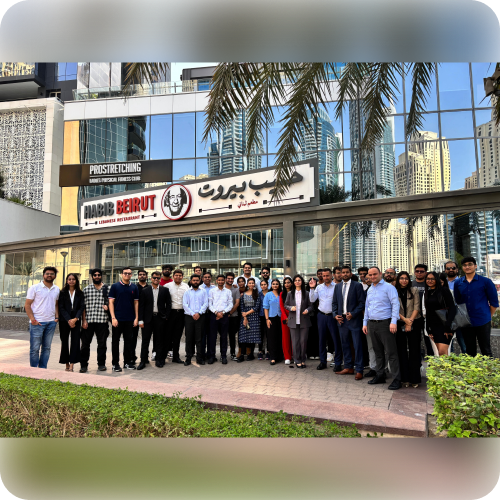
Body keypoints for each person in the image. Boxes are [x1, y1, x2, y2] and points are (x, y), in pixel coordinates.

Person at [362, 267, 401, 390]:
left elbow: (395, 304)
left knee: (391, 352)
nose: (372, 277)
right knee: (377, 352)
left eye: (374, 274)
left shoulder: (389, 287)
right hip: (372, 324)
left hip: (385, 323)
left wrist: (393, 322)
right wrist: (365, 323)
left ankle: (396, 379)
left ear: (380, 274)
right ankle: (380, 375)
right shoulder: (370, 289)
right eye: (370, 275)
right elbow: (367, 307)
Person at [454, 256, 499, 357]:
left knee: (486, 350)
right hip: (466, 322)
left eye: (470, 264)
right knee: (469, 351)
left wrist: (488, 316)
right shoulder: (458, 283)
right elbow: (458, 302)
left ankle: (489, 368)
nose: (467, 267)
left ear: (475, 266)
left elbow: (494, 303)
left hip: (483, 320)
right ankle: (472, 368)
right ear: (462, 267)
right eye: (465, 265)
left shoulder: (486, 282)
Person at [332, 266, 366, 380]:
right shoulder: (337, 286)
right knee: (345, 344)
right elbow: (334, 303)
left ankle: (359, 370)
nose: (345, 274)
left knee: (357, 345)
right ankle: (348, 367)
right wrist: (335, 315)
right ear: (340, 274)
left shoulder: (357, 285)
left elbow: (362, 303)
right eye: (343, 272)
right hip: (342, 321)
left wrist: (353, 313)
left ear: (351, 274)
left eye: (347, 272)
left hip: (354, 320)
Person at [25, 266, 60, 369]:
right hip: (37, 323)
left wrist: (56, 318)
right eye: (47, 273)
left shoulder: (56, 289)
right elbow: (27, 305)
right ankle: (34, 370)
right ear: (43, 275)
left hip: (51, 323)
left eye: (52, 274)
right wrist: (33, 320)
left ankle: (43, 369)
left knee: (47, 348)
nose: (49, 275)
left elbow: (56, 304)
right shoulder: (34, 288)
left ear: (55, 276)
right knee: (35, 348)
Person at [308, 268, 342, 372]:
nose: (325, 277)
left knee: (336, 340)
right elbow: (312, 299)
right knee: (321, 339)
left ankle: (338, 363)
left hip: (333, 316)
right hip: (321, 315)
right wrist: (312, 288)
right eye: (324, 276)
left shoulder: (337, 286)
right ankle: (323, 362)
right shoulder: (319, 287)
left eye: (327, 275)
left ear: (332, 275)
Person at [137, 271, 171, 369]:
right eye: (154, 278)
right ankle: (143, 361)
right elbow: (141, 306)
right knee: (145, 340)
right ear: (151, 279)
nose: (156, 279)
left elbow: (168, 304)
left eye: (158, 278)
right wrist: (140, 320)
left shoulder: (165, 290)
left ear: (160, 279)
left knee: (159, 340)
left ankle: (159, 360)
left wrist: (166, 316)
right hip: (147, 319)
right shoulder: (145, 290)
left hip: (160, 319)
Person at [108, 267, 139, 372]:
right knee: (115, 341)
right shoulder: (115, 286)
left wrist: (136, 318)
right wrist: (113, 317)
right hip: (117, 319)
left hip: (130, 319)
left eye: (129, 273)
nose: (127, 275)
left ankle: (127, 362)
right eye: (125, 273)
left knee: (128, 341)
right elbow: (111, 302)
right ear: (121, 274)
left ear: (131, 275)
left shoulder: (134, 287)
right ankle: (115, 364)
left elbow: (136, 303)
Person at [395, 271, 422, 387]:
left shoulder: (414, 290)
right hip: (399, 322)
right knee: (401, 351)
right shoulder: (393, 291)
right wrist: (404, 320)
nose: (404, 280)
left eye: (406, 278)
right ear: (398, 279)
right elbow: (392, 308)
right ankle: (404, 378)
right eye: (401, 278)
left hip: (414, 321)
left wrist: (409, 322)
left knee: (414, 350)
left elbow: (417, 307)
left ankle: (415, 379)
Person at [81, 268, 110, 373]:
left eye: (98, 275)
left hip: (102, 321)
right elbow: (83, 307)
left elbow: (112, 304)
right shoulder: (86, 289)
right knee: (85, 345)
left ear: (101, 276)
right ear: (92, 277)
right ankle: (83, 365)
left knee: (102, 344)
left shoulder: (108, 289)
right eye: (95, 275)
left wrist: (108, 307)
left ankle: (101, 364)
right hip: (88, 321)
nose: (97, 276)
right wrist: (84, 321)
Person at [422, 271, 456, 357]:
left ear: (436, 279)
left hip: (444, 325)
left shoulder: (444, 290)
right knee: (438, 354)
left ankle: (448, 367)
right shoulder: (428, 292)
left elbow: (452, 308)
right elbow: (428, 311)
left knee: (443, 353)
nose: (430, 281)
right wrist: (428, 329)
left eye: (432, 279)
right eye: (428, 279)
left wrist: (448, 326)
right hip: (433, 326)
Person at [285, 274, 313, 369]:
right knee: (295, 342)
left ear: (302, 282)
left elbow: (311, 306)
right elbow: (286, 305)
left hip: (304, 320)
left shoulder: (307, 293)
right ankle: (297, 360)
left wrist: (307, 310)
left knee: (303, 341)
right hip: (293, 321)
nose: (297, 282)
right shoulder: (290, 294)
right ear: (293, 282)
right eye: (296, 280)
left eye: (299, 280)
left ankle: (303, 359)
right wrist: (291, 308)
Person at [58, 273, 84, 372]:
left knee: (75, 341)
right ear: (67, 281)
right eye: (69, 279)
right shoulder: (62, 293)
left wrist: (76, 318)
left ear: (76, 281)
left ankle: (72, 363)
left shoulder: (80, 293)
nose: (71, 281)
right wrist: (69, 319)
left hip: (76, 319)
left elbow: (82, 307)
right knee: (64, 341)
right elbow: (61, 307)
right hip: (64, 320)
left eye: (73, 279)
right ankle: (66, 363)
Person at [182, 274, 208, 365]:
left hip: (200, 317)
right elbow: (185, 304)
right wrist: (193, 314)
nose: (195, 282)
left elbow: (206, 303)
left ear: (200, 281)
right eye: (194, 280)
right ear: (191, 281)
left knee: (199, 338)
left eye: (197, 280)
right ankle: (188, 358)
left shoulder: (203, 291)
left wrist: (199, 313)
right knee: (189, 338)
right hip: (189, 317)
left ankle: (199, 358)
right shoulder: (187, 292)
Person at [208, 274, 233, 364]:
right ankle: (212, 356)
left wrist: (223, 312)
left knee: (224, 337)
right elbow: (209, 304)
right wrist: (216, 313)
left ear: (225, 280)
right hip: (213, 315)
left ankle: (223, 356)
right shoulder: (212, 291)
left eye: (222, 280)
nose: (221, 281)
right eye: (219, 280)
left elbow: (230, 304)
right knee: (212, 337)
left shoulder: (228, 291)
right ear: (216, 281)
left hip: (224, 316)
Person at [165, 269, 189, 364]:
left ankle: (176, 356)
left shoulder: (186, 287)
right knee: (167, 335)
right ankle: (163, 356)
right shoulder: (167, 286)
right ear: (173, 276)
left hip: (181, 313)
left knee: (177, 336)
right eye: (176, 275)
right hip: (170, 313)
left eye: (180, 275)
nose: (178, 277)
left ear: (182, 277)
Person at [444, 261, 466, 354]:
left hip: (460, 316)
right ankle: (451, 363)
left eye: (453, 268)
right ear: (445, 270)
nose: (451, 270)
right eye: (448, 268)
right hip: (447, 316)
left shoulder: (463, 282)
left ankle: (466, 362)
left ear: (457, 269)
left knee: (464, 345)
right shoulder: (442, 283)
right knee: (449, 345)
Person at [412, 263, 433, 358]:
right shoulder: (411, 284)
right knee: (415, 340)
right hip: (415, 316)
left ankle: (431, 360)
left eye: (422, 271)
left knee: (429, 340)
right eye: (417, 271)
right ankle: (417, 361)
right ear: (414, 272)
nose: (419, 273)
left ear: (426, 273)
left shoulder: (429, 284)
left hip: (428, 316)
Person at [237, 278, 261, 362]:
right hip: (244, 317)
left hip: (254, 316)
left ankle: (250, 354)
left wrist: (246, 313)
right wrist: (245, 317)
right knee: (243, 335)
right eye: (249, 283)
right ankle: (242, 354)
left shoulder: (257, 294)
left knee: (253, 335)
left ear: (254, 284)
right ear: (247, 284)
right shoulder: (243, 294)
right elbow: (242, 306)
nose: (251, 284)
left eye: (252, 283)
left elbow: (257, 307)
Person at [131, 269, 148, 365]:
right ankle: (132, 357)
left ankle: (144, 357)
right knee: (133, 338)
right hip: (135, 316)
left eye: (143, 274)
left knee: (146, 338)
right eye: (140, 274)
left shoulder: (150, 287)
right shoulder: (134, 287)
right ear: (138, 276)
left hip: (146, 316)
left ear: (146, 276)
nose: (142, 276)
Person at [264, 279, 283, 365]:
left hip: (281, 318)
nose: (275, 285)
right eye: (273, 284)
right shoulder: (268, 294)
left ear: (279, 285)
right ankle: (273, 357)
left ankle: (279, 356)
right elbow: (265, 307)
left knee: (280, 337)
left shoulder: (281, 294)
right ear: (271, 285)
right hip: (271, 318)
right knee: (272, 338)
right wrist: (267, 319)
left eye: (277, 284)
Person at [200, 272, 216, 360]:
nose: (207, 278)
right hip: (202, 314)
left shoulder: (215, 288)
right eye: (205, 277)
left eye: (209, 277)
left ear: (211, 278)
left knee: (211, 335)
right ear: (202, 278)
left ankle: (210, 354)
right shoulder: (200, 288)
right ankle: (202, 355)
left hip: (212, 313)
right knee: (202, 335)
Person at [225, 272, 240, 360]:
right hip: (223, 316)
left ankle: (232, 353)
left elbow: (237, 303)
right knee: (223, 336)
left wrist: (230, 313)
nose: (230, 280)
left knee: (232, 336)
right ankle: (223, 354)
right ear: (225, 279)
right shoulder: (221, 288)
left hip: (233, 316)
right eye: (228, 278)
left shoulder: (236, 289)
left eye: (232, 279)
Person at [280, 276, 294, 365]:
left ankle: (294, 355)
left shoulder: (295, 293)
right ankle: (287, 357)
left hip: (294, 316)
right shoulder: (282, 294)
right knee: (285, 338)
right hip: (285, 318)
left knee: (294, 337)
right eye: (285, 283)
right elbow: (281, 306)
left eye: (288, 282)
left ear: (291, 283)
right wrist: (286, 317)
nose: (287, 284)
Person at [306, 276, 320, 360]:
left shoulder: (319, 290)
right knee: (309, 335)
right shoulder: (306, 292)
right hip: (308, 315)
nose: (312, 283)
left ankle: (317, 353)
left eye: (314, 281)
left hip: (318, 315)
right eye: (311, 281)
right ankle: (310, 353)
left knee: (318, 335)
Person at [235, 276, 248, 359]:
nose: (241, 283)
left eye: (242, 281)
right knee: (240, 333)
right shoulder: (237, 290)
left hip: (248, 313)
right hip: (239, 313)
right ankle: (240, 350)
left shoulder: (249, 290)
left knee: (248, 331)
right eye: (239, 282)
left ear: (245, 282)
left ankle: (248, 350)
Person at [258, 279, 269, 359]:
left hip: (269, 316)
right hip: (261, 316)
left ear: (267, 285)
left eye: (265, 284)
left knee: (269, 334)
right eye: (262, 285)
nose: (263, 286)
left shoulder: (271, 293)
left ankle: (268, 350)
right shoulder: (258, 294)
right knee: (261, 334)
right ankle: (260, 350)